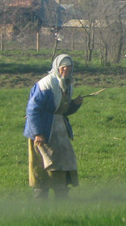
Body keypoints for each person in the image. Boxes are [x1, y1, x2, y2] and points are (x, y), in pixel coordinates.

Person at [24, 54, 84, 199]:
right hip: (44, 131)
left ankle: (61, 197)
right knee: (44, 165)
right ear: (57, 67)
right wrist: (38, 133)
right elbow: (33, 110)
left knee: (63, 162)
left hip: (60, 131)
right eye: (63, 67)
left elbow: (61, 111)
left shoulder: (68, 84)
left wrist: (74, 105)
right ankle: (40, 200)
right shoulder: (46, 84)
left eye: (69, 68)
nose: (66, 70)